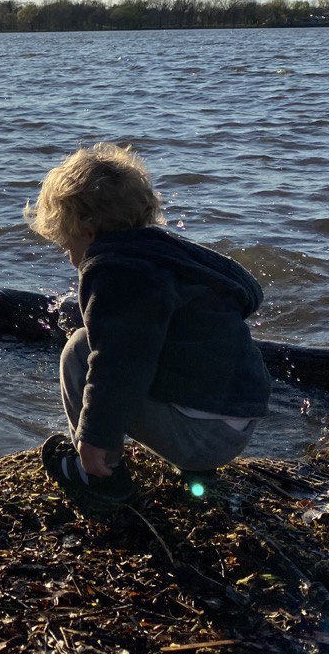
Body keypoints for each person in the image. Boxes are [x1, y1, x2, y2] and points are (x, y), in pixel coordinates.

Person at [25, 143, 271, 507]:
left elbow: (119, 366)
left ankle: (100, 476)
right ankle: (195, 467)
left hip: (201, 436)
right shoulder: (171, 254)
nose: (67, 254)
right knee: (153, 348)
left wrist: (95, 436)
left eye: (65, 242)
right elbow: (244, 297)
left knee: (80, 350)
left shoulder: (114, 269)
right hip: (238, 422)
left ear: (88, 231)